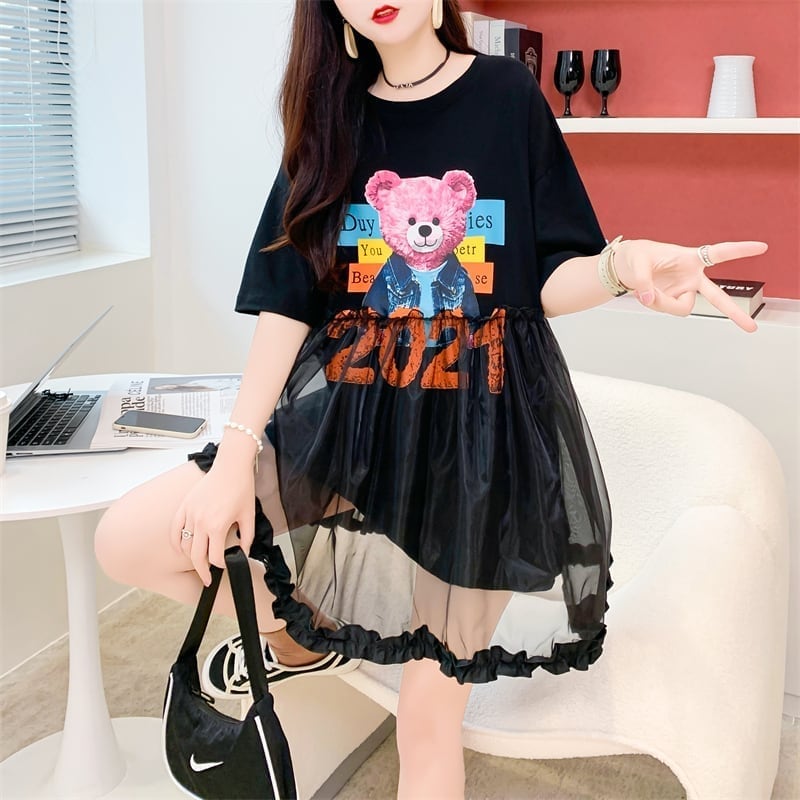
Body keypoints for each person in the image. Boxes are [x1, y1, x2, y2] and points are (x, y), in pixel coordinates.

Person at [94, 1, 768, 797]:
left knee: (425, 718)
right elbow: (288, 297)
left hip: (483, 451)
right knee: (130, 539)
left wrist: (623, 266)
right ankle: (303, 638)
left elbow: (541, 281)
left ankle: (322, 644)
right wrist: (236, 454)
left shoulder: (506, 94)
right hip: (354, 426)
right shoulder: (332, 118)